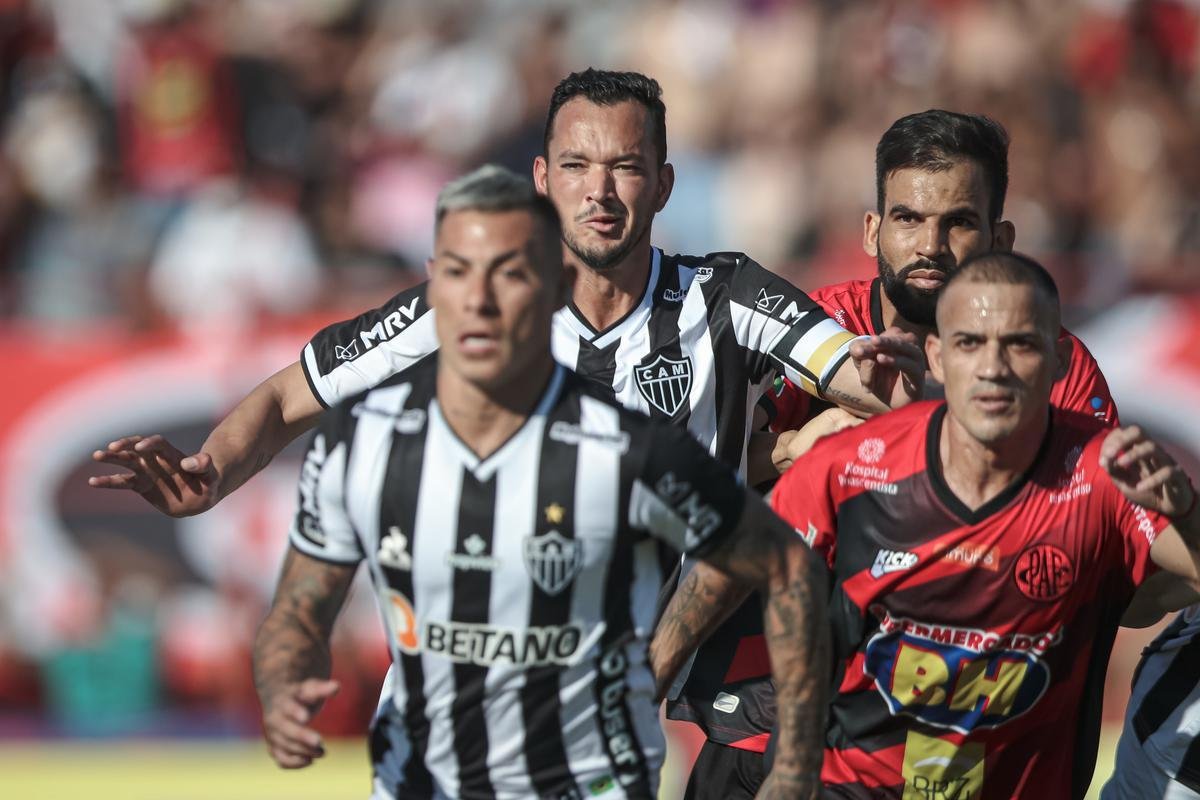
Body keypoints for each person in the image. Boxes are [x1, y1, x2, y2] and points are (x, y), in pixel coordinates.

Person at [90, 68, 920, 794]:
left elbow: (853, 391)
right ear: (541, 180)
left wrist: (877, 393)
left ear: (663, 184)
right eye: (576, 167)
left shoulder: (707, 319)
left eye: (625, 167)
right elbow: (287, 418)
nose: (599, 192)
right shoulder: (418, 373)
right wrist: (211, 482)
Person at [254, 164, 828, 799]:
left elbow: (783, 566)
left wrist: (796, 763)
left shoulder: (630, 452)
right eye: (457, 272)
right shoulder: (363, 442)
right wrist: (283, 682)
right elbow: (299, 608)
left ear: (555, 288)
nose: (480, 300)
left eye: (509, 274)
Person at [651, 110, 1122, 799]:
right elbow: (699, 472)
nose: (930, 245)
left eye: (959, 222)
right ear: (873, 230)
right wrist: (793, 448)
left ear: (1001, 237)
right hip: (770, 720)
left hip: (968, 741)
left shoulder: (1055, 367)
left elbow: (1115, 556)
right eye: (907, 219)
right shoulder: (807, 331)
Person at [670, 252, 1200, 798]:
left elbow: (1166, 590)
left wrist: (1187, 516)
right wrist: (638, 686)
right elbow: (725, 568)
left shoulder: (1100, 473)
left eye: (1018, 343)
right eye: (970, 344)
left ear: (1059, 359)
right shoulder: (856, 461)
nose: (992, 367)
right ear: (938, 357)